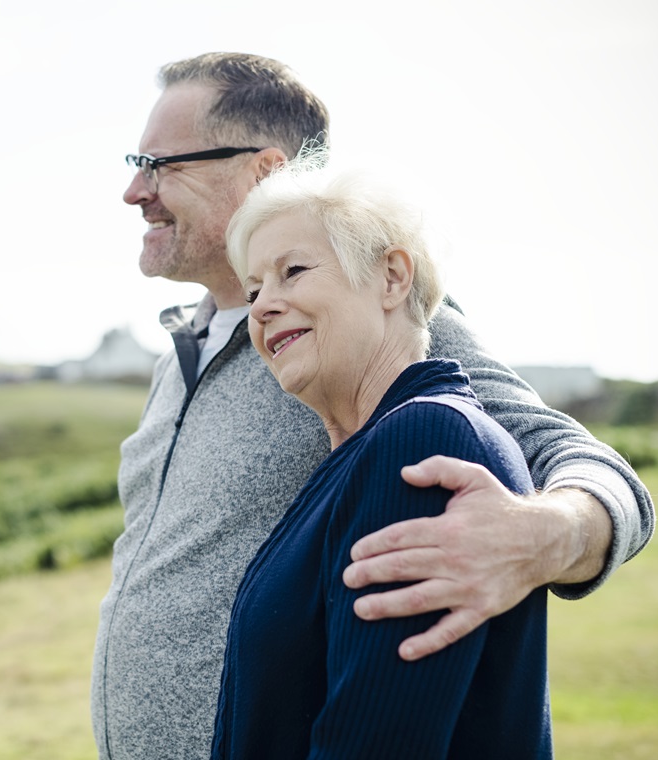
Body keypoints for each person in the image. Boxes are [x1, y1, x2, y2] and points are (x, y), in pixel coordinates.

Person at [91, 52, 653, 760]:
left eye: (158, 163)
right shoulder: (180, 352)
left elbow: (581, 461)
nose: (134, 190)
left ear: (265, 171)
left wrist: (549, 535)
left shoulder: (371, 320)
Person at [212, 157, 550, 758]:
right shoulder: (356, 458)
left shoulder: (422, 440)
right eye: (255, 289)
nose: (262, 307)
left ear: (392, 277)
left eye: (293, 271)